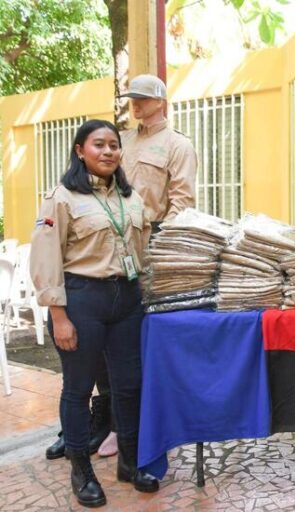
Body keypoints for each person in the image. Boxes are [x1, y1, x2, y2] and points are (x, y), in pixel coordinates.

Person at [31, 120, 160, 507]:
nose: (107, 152)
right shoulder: (62, 198)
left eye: (114, 146)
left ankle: (131, 463)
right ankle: (81, 471)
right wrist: (59, 317)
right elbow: (46, 257)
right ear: (79, 151)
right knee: (78, 389)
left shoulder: (131, 197)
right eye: (98, 145)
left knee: (129, 385)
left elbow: (144, 251)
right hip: (83, 299)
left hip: (127, 299)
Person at [118, 73, 197, 232]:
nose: (135, 103)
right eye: (133, 98)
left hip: (153, 231)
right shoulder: (121, 140)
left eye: (143, 98)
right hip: (117, 229)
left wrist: (162, 237)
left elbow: (183, 200)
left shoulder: (178, 145)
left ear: (160, 102)